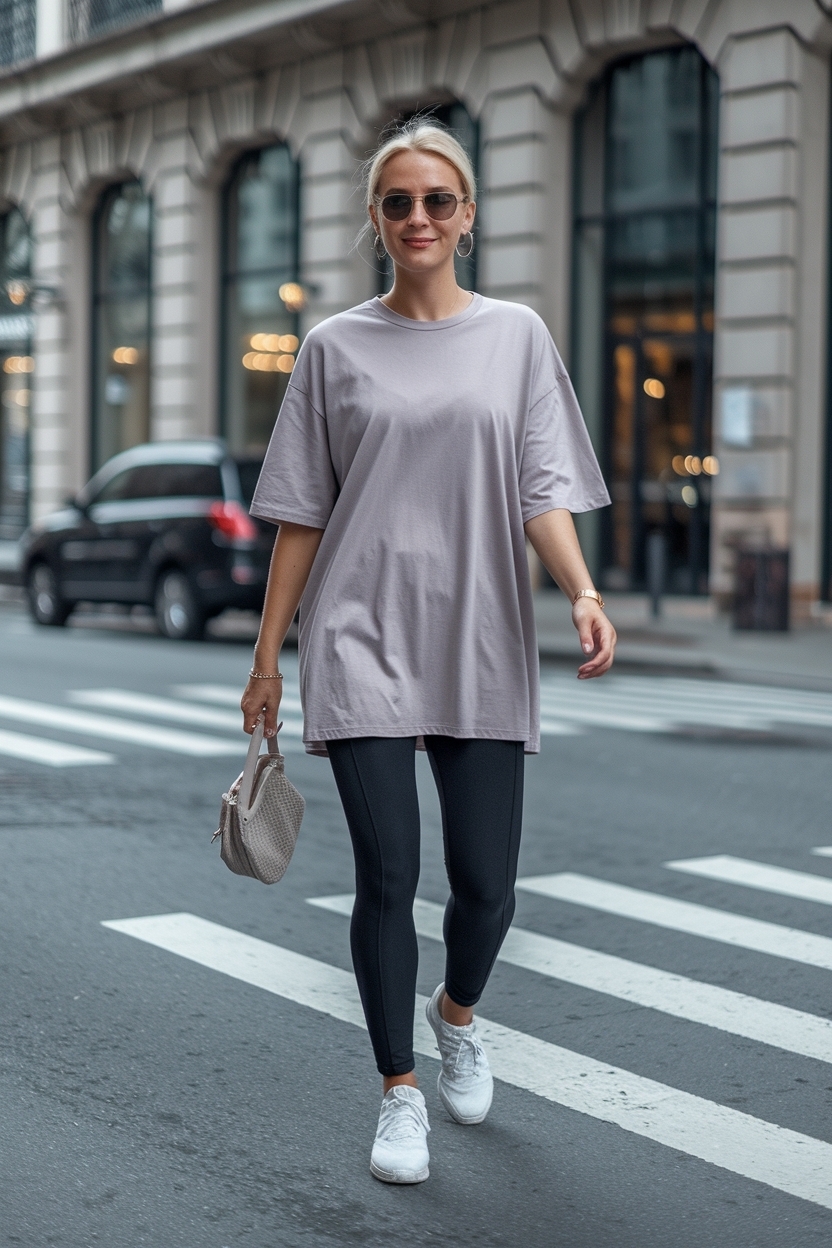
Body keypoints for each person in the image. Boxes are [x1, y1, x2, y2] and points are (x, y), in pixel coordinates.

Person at [240, 118, 616, 1185]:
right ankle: (397, 1091)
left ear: (468, 214)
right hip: (359, 635)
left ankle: (456, 1014)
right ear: (374, 219)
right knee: (387, 873)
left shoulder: (517, 338)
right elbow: (301, 516)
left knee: (487, 888)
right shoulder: (332, 348)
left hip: (481, 632)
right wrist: (270, 658)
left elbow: (541, 488)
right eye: (397, 202)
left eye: (436, 201)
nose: (417, 218)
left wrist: (581, 590)